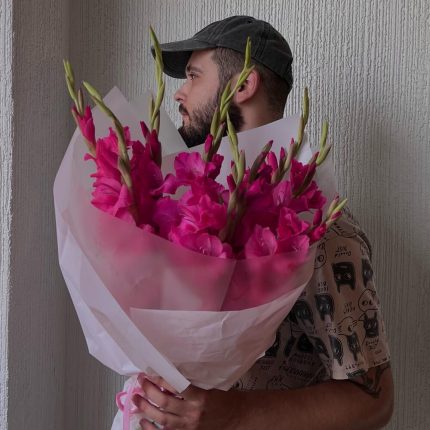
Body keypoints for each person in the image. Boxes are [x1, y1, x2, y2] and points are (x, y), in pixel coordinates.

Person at [133, 15, 394, 429]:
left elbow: (375, 401)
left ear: (243, 85)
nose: (178, 93)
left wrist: (232, 414)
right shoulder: (184, 208)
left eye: (194, 76)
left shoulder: (320, 229)